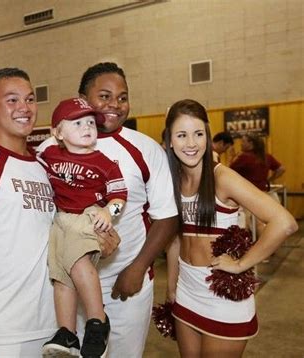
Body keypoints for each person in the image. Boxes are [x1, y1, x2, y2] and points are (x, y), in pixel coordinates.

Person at [0, 69, 120, 358]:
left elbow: (69, 229)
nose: (24, 108)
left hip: (59, 330)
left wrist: (101, 241)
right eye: (12, 100)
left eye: (30, 99)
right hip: (2, 333)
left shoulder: (49, 168)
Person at [38, 62, 178, 357]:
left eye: (122, 97)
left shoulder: (145, 148)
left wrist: (138, 268)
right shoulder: (52, 147)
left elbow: (166, 216)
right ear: (82, 99)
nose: (115, 104)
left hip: (123, 283)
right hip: (70, 284)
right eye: (104, 96)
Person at [163, 99, 298, 357]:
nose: (191, 143)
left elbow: (284, 223)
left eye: (198, 134)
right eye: (182, 135)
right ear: (169, 140)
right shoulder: (172, 181)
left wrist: (240, 264)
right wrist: (171, 286)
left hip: (221, 297)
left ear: (207, 136)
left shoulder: (222, 178)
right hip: (186, 291)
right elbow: (176, 239)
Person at [38, 97, 127, 357]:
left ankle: (98, 321)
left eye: (90, 122)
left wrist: (109, 213)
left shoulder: (106, 163)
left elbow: (120, 197)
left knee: (78, 264)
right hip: (61, 221)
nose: (87, 127)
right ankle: (67, 333)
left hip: (87, 219)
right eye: (76, 123)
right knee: (61, 275)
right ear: (57, 132)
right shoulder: (48, 155)